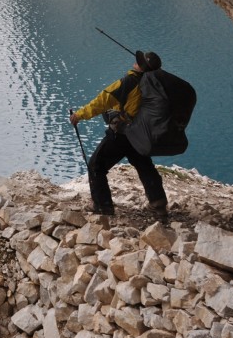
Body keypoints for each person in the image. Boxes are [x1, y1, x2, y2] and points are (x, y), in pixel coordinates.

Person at [70, 50, 168, 217]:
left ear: (141, 67)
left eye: (138, 61)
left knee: (96, 166)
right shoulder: (157, 83)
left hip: (123, 134)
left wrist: (79, 115)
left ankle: (102, 206)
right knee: (144, 166)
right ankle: (158, 204)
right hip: (142, 135)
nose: (135, 62)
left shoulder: (129, 81)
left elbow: (103, 100)